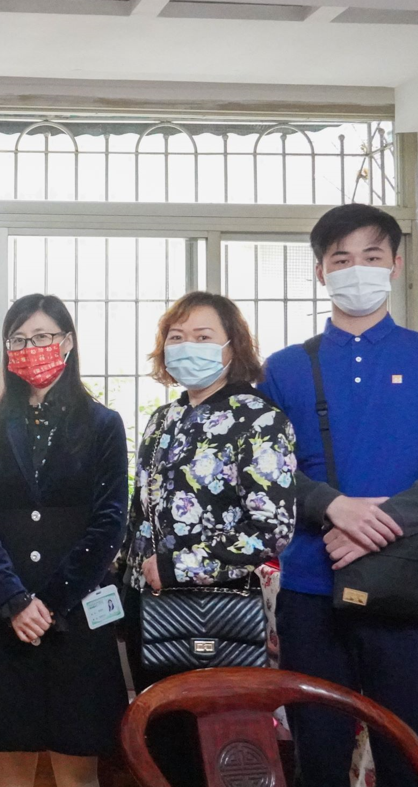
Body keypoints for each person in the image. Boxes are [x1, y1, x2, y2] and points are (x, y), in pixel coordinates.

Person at [260, 204, 418, 787]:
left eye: (371, 256)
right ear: (320, 271)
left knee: (409, 758)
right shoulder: (285, 368)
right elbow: (265, 472)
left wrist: (376, 524)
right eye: (341, 259)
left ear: (395, 264)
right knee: (318, 759)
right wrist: (332, 506)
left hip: (407, 592)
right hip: (313, 590)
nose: (356, 269)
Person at [0, 294, 130, 787]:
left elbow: (110, 520)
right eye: (19, 340)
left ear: (67, 342)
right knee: (9, 763)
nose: (32, 348)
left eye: (43, 337)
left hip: (75, 613)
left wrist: (47, 603)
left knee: (77, 765)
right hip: (3, 615)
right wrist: (13, 600)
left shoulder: (103, 424)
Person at [119, 291, 297, 786]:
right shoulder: (163, 420)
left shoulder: (259, 419)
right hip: (148, 609)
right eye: (176, 337)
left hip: (216, 612)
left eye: (202, 336)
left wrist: (179, 567)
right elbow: (141, 515)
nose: (187, 347)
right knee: (160, 742)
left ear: (231, 346)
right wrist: (124, 580)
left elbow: (272, 529)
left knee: (219, 749)